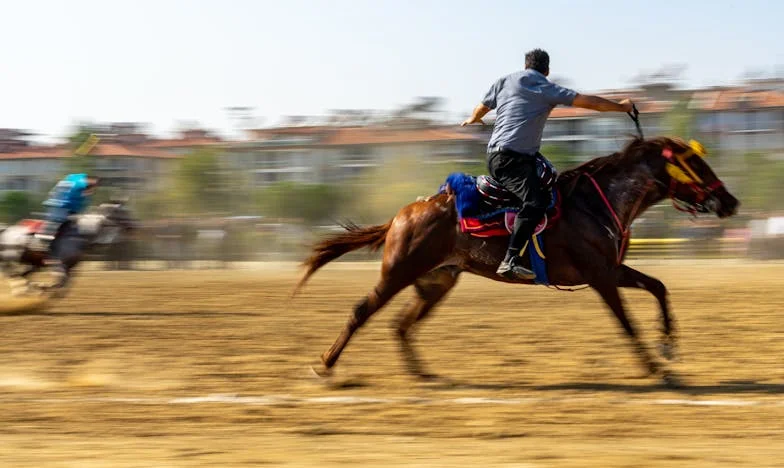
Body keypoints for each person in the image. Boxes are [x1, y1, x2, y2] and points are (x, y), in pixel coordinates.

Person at [462, 49, 634, 280]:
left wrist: (473, 118)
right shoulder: (546, 88)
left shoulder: (504, 81)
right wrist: (621, 107)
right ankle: (510, 259)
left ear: (525, 66)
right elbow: (591, 103)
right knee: (536, 202)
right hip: (511, 160)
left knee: (549, 178)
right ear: (547, 71)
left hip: (502, 156)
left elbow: (482, 107)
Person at [32, 173, 100, 264]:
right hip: (61, 210)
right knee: (57, 228)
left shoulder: (75, 181)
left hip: (63, 209)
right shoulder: (78, 186)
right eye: (93, 185)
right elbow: (69, 201)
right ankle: (49, 253)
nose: (94, 187)